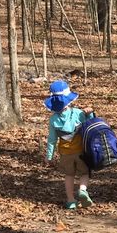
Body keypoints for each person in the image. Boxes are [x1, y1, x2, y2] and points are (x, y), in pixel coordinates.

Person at [44, 79, 94, 210]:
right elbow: (91, 123)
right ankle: (82, 190)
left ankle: (71, 200)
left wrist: (49, 156)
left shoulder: (53, 120)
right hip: (80, 151)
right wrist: (90, 114)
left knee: (69, 175)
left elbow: (52, 140)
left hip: (65, 153)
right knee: (84, 173)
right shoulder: (78, 113)